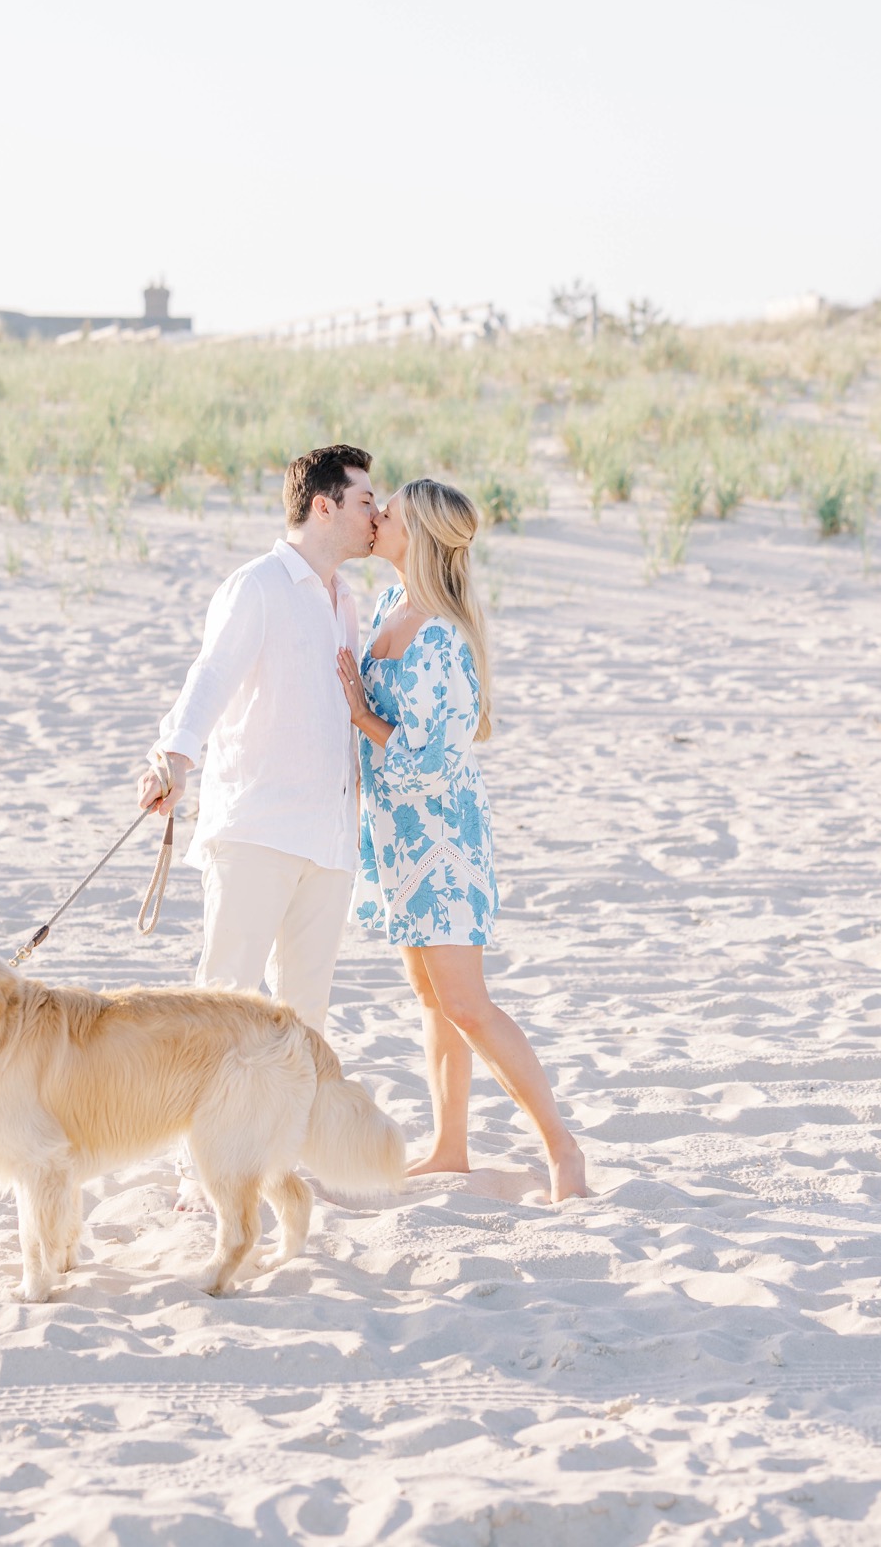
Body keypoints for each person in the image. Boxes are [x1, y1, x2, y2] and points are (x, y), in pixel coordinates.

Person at [336, 478, 588, 1204]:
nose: (377, 518)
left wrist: (362, 717)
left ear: (417, 535)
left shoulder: (440, 636)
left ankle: (561, 1149)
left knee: (467, 1002)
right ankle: (450, 1147)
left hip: (442, 840)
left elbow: (429, 757)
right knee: (431, 997)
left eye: (391, 514)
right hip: (397, 836)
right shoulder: (391, 606)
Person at [138, 443, 377, 1046]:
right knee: (223, 1005)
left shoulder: (346, 599)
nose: (377, 515)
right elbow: (210, 676)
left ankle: (282, 1143)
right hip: (257, 830)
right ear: (324, 507)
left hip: (329, 840)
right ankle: (199, 1146)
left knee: (305, 1021)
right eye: (366, 500)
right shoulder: (258, 585)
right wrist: (175, 758)